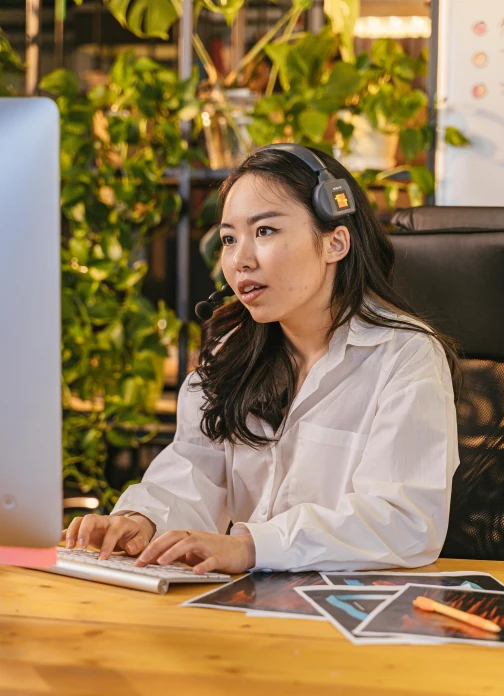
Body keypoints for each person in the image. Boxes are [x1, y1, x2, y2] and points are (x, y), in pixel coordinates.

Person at [64, 145, 461, 575]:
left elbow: (404, 520)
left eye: (265, 231)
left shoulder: (406, 357)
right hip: (249, 608)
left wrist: (254, 547)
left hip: (354, 611)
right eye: (229, 239)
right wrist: (140, 520)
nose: (240, 260)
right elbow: (195, 468)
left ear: (335, 242)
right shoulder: (231, 350)